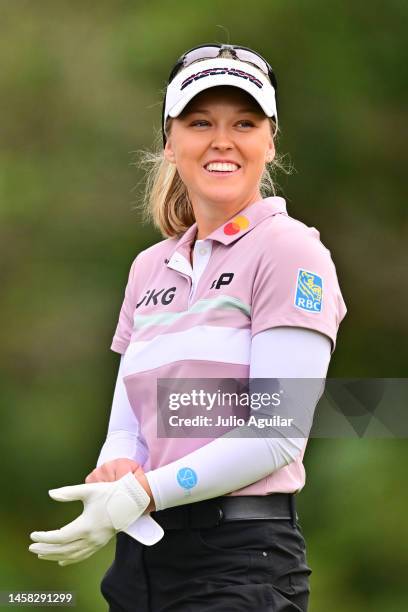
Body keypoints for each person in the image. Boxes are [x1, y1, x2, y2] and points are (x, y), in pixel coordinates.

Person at [28, 44, 347, 611]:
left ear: (269, 142)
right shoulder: (148, 268)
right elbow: (129, 430)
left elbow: (276, 434)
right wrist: (118, 470)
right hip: (141, 562)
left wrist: (142, 491)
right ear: (171, 143)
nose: (222, 139)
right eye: (200, 122)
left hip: (242, 563)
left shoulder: (290, 250)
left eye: (244, 123)